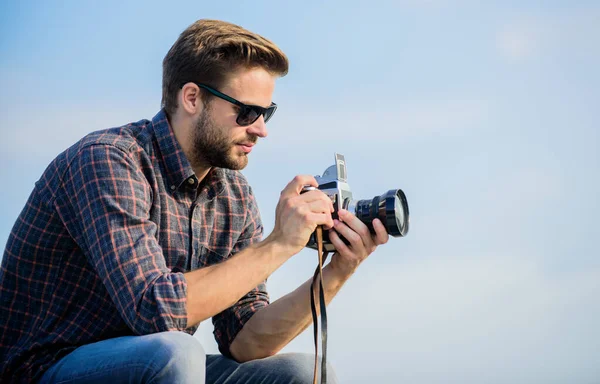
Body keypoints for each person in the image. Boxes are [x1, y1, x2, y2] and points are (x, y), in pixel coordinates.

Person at [0, 19, 389, 383]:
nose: (262, 129)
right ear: (191, 98)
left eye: (267, 111)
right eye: (247, 112)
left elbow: (246, 341)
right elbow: (154, 311)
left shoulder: (234, 197)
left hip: (156, 360)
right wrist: (278, 243)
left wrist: (338, 271)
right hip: (45, 367)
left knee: (304, 372)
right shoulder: (109, 160)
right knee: (176, 350)